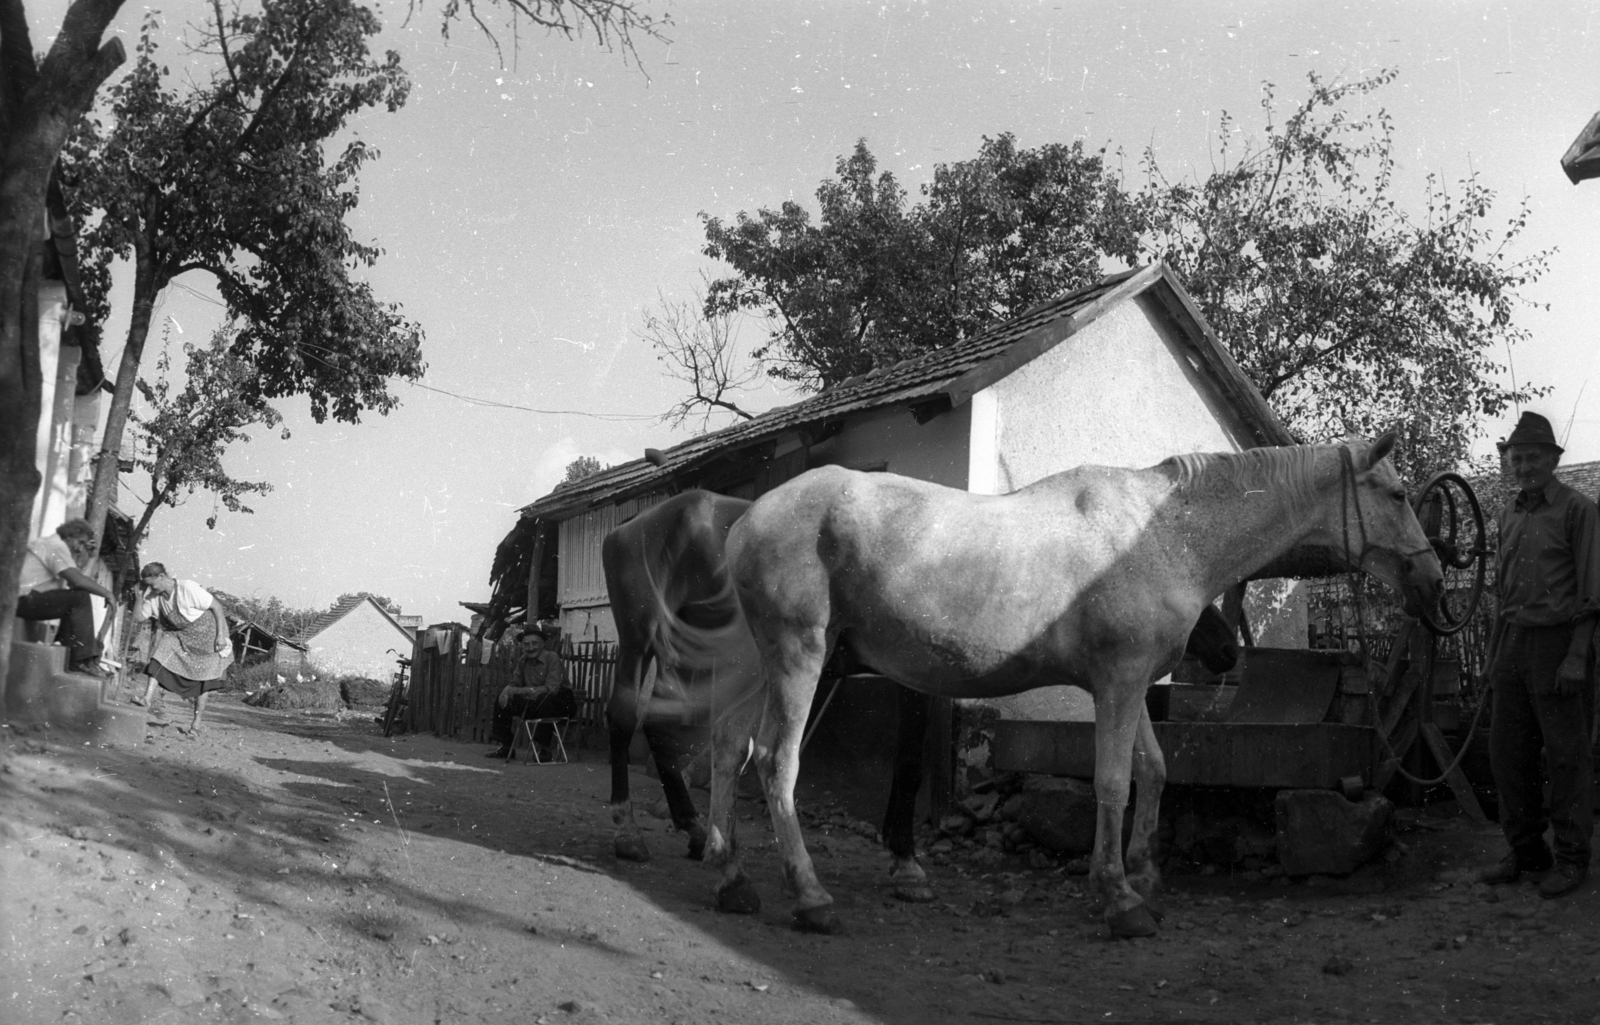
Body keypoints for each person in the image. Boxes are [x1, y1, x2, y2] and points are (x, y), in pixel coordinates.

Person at [1478, 411, 1600, 898]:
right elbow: (1502, 594)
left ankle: (1572, 860)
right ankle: (1528, 852)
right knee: (1507, 753)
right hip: (1513, 642)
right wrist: (1492, 659)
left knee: (1567, 754)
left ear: (1553, 461)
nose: (1524, 466)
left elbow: (1593, 591)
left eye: (1533, 457)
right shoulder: (1508, 513)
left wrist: (1577, 656)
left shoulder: (1578, 510)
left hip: (1559, 643)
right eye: (1517, 458)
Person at [135, 562, 234, 736]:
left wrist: (220, 636)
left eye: (151, 584)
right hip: (183, 636)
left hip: (209, 637)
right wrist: (139, 596)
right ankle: (146, 698)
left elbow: (216, 607)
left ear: (161, 577)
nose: (149, 588)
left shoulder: (187, 588)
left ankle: (196, 725)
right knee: (162, 650)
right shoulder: (154, 597)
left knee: (204, 681)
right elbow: (139, 617)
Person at [15, 518, 116, 675]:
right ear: (69, 536)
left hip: (24, 600)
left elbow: (75, 583)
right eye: (80, 542)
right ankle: (81, 660)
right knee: (79, 597)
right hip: (21, 600)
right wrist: (107, 593)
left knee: (76, 598)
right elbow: (77, 582)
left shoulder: (54, 545)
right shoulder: (55, 545)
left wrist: (91, 558)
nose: (80, 547)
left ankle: (73, 655)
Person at [486, 628, 575, 760]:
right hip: (535, 703)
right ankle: (506, 746)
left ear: (542, 644)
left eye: (534, 643)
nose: (530, 648)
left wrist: (519, 691)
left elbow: (551, 689)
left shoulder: (552, 658)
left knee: (545, 698)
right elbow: (514, 683)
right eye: (526, 644)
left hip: (560, 704)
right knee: (503, 699)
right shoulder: (523, 661)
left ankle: (544, 749)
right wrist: (506, 690)